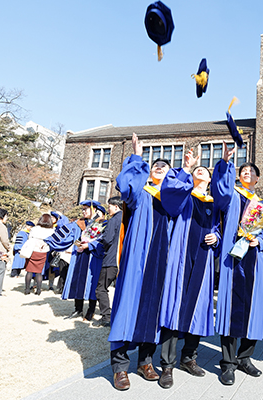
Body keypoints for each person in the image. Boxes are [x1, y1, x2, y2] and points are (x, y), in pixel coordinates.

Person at [108, 133, 176, 391]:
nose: (159, 166)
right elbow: (126, 187)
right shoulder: (141, 193)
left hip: (160, 260)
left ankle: (145, 361)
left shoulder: (171, 198)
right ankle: (120, 367)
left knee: (152, 308)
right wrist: (137, 156)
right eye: (155, 164)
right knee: (127, 305)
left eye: (165, 166)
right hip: (137, 257)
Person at [153, 160, 219, 389]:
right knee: (175, 305)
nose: (202, 170)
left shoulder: (213, 203)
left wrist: (216, 237)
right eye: (198, 169)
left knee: (197, 307)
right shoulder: (184, 194)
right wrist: (187, 170)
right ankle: (167, 365)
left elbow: (218, 227)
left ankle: (188, 357)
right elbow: (170, 195)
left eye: (205, 171)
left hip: (203, 256)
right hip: (180, 255)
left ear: (210, 180)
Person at [212, 144, 263, 386]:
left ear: (257, 178)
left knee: (254, 309)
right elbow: (220, 191)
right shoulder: (232, 196)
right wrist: (226, 163)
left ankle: (245, 358)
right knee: (230, 309)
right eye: (243, 171)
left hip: (254, 261)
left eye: (251, 172)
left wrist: (259, 240)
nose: (247, 173)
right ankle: (227, 364)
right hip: (233, 259)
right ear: (238, 176)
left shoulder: (262, 205)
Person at [47, 201, 105, 321]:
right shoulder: (79, 223)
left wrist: (90, 245)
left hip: (93, 257)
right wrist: (48, 241)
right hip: (79, 255)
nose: (83, 211)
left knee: (91, 284)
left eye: (86, 209)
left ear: (94, 210)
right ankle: (78, 309)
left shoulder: (102, 224)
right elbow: (64, 233)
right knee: (77, 281)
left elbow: (104, 241)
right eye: (82, 209)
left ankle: (91, 310)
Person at [93, 197, 123, 327]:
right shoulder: (127, 219)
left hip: (111, 259)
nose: (108, 209)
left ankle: (106, 316)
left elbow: (108, 240)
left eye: (109, 206)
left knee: (101, 289)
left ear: (116, 207)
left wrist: (100, 244)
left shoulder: (114, 220)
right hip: (123, 259)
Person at [22, 214, 56, 295]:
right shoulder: (51, 231)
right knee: (39, 272)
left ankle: (27, 289)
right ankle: (38, 290)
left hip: (33, 251)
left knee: (29, 271)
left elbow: (29, 238)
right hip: (43, 252)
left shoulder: (34, 229)